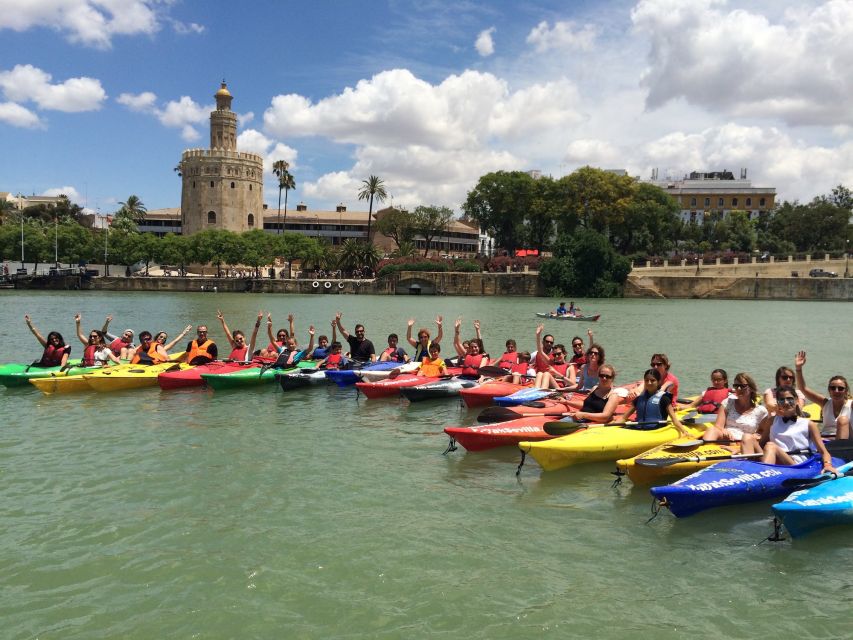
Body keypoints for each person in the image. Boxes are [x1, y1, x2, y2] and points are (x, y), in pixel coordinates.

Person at [756, 385, 836, 472]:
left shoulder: (809, 424)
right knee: (748, 437)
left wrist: (828, 464)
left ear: (797, 400)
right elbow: (761, 444)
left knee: (771, 446)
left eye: (789, 399)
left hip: (797, 465)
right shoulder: (771, 421)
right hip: (775, 461)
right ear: (778, 403)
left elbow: (823, 452)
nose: (786, 402)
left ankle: (764, 475)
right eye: (782, 400)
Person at [701, 372, 768, 446]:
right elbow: (718, 426)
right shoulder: (728, 403)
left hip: (745, 443)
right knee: (712, 429)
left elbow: (763, 432)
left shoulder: (761, 411)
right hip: (727, 439)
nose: (739, 388)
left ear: (751, 388)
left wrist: (754, 436)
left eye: (743, 386)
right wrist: (723, 430)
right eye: (736, 386)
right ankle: (705, 451)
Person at [618, 368, 690, 437]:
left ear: (658, 382)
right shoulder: (638, 399)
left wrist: (684, 431)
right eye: (647, 380)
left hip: (655, 431)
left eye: (652, 380)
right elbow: (624, 418)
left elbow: (674, 420)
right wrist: (609, 428)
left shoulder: (664, 399)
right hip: (637, 429)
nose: (649, 383)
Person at [795, 351, 851, 439]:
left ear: (846, 391)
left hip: (846, 444)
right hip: (826, 441)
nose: (836, 391)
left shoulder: (851, 405)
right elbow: (803, 388)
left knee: (842, 421)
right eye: (833, 388)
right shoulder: (825, 403)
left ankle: (840, 451)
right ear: (829, 390)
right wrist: (798, 368)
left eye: (840, 388)